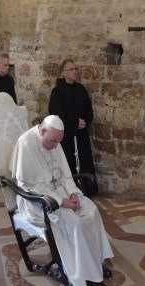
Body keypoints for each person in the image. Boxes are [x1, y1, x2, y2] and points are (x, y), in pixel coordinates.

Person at [10, 115, 113, 286]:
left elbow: (66, 174)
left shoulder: (54, 140)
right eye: (53, 141)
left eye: (58, 142)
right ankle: (83, 274)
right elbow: (30, 186)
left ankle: (95, 262)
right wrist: (61, 201)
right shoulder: (26, 143)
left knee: (91, 210)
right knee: (73, 221)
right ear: (42, 131)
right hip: (38, 200)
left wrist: (72, 193)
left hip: (60, 192)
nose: (56, 146)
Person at [49, 59, 98, 196]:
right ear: (64, 73)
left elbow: (88, 109)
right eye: (71, 69)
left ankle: (87, 191)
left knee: (84, 161)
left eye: (76, 69)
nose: (75, 71)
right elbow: (57, 113)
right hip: (67, 136)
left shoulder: (81, 89)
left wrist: (85, 122)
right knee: (68, 163)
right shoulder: (57, 92)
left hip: (81, 134)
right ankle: (71, 192)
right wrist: (75, 122)